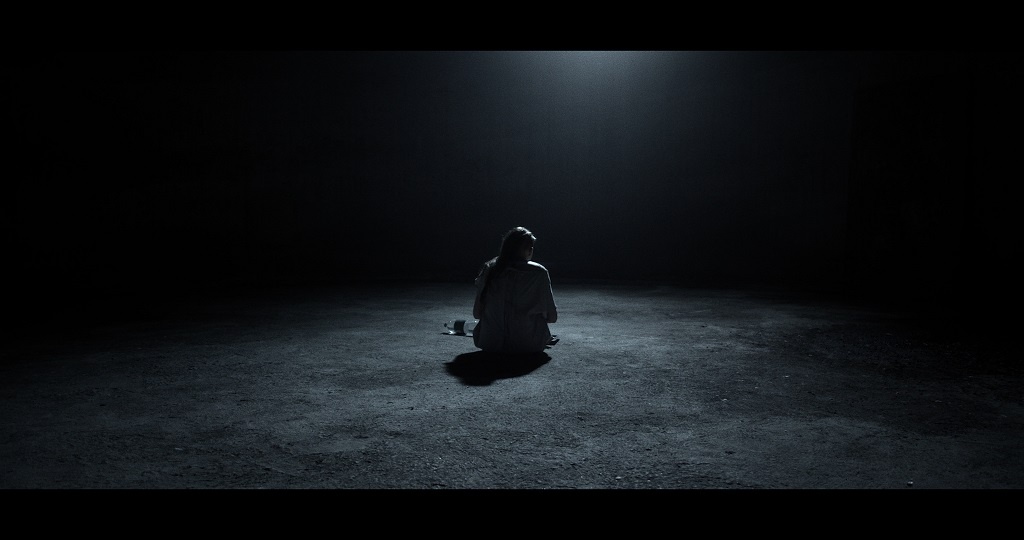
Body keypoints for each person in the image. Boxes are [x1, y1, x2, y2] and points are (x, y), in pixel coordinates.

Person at [472, 226, 558, 354]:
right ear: (529, 250)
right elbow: (552, 317)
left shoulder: (489, 269)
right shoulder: (539, 272)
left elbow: (477, 314)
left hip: (490, 343)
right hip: (528, 345)